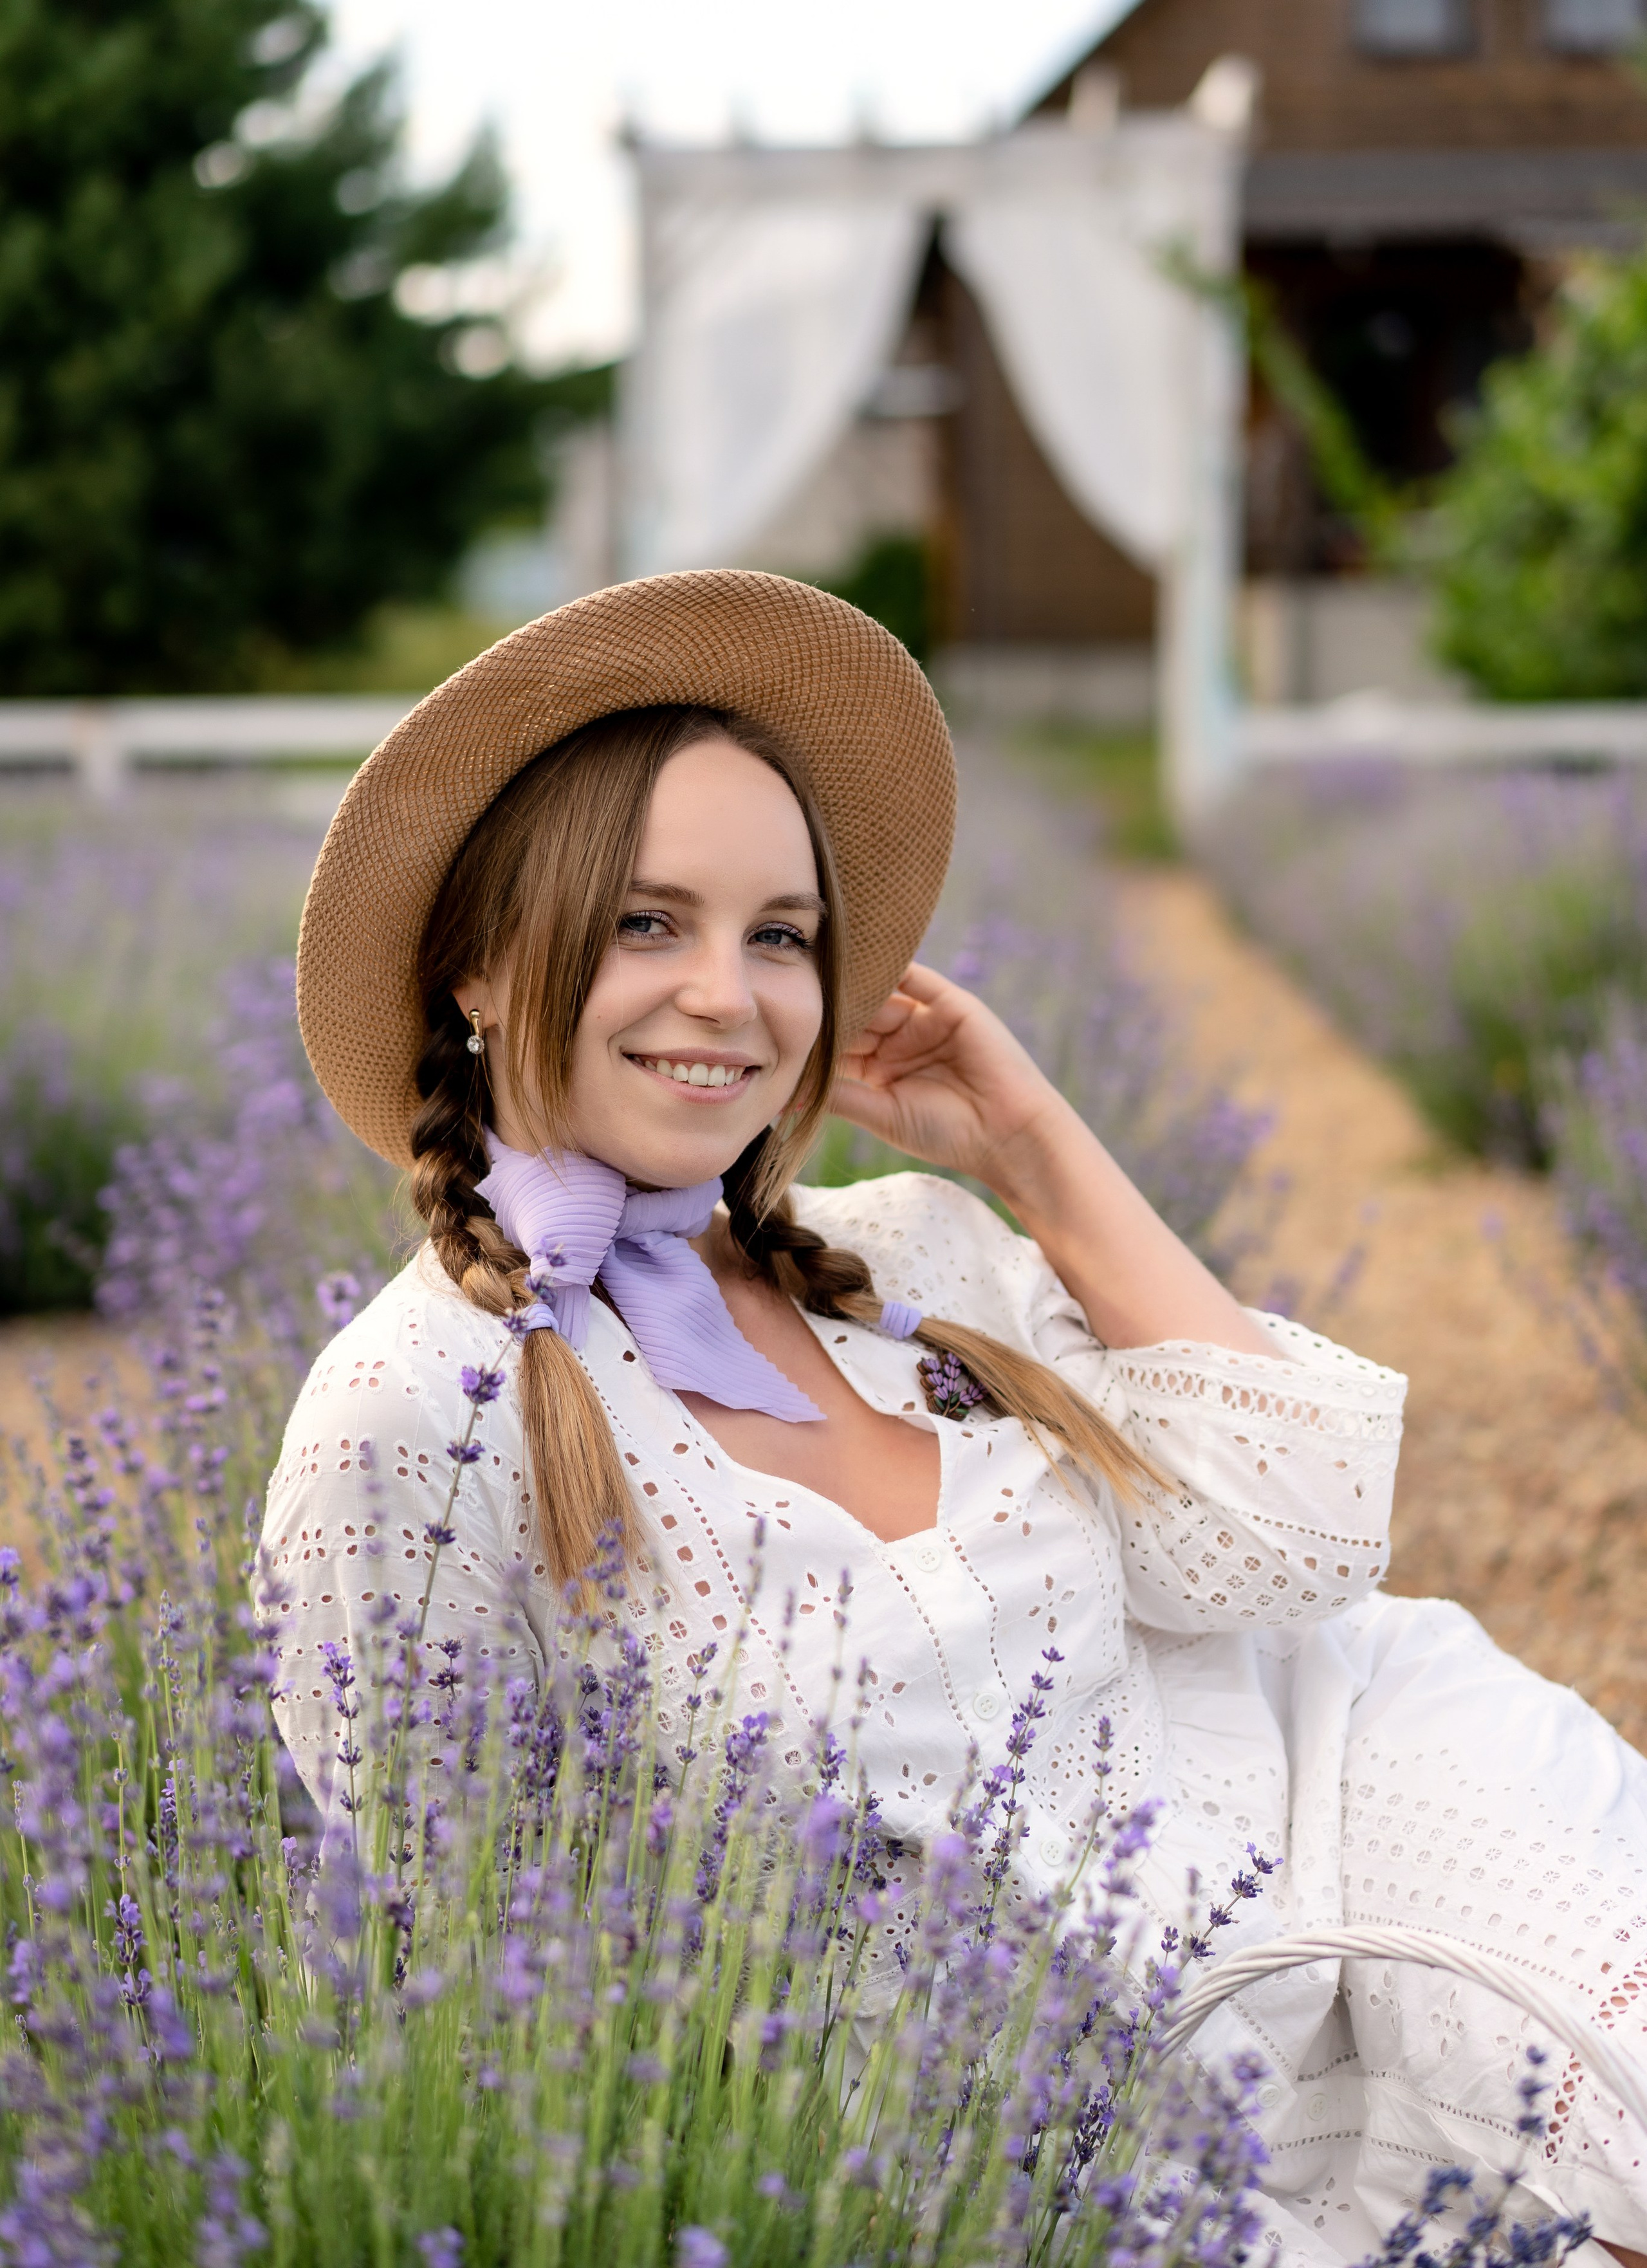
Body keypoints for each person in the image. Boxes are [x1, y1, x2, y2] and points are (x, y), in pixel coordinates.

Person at [266, 571, 1647, 2268]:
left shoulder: (907, 1258)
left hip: (1363, 1816)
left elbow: (1299, 1543)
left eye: (780, 934)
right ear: (476, 966)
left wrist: (1025, 1138)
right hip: (1021, 2147)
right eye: (649, 921)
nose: (731, 993)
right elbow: (447, 1979)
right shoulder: (412, 1419)